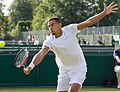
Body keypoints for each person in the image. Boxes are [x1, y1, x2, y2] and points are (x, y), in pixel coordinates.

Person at [24, 2, 118, 92]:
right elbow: (40, 54)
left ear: (59, 25)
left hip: (78, 68)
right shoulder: (49, 41)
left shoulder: (70, 29)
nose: (50, 28)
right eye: (49, 26)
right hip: (63, 71)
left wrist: (104, 13)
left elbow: (88, 22)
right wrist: (30, 66)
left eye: (52, 25)